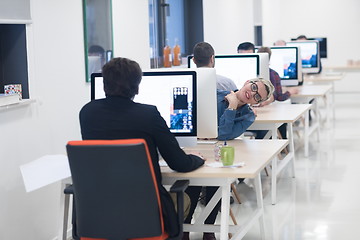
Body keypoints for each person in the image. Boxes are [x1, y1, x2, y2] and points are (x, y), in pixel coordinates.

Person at [79, 57, 205, 238]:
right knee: (183, 199)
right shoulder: (148, 115)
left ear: (104, 85)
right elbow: (180, 164)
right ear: (137, 87)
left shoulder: (87, 113)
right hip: (146, 215)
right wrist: (197, 158)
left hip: (99, 213)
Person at [183, 77, 274, 240]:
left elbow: (223, 135)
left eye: (257, 96)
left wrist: (232, 107)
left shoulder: (248, 116)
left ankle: (208, 230)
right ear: (247, 81)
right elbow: (195, 121)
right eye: (254, 87)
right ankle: (185, 230)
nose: (252, 94)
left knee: (216, 183)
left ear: (257, 102)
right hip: (195, 148)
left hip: (218, 153)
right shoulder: (214, 95)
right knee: (194, 182)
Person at [255, 47, 299, 139]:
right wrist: (289, 92)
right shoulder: (273, 74)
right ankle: (283, 145)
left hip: (260, 112)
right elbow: (279, 97)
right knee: (281, 120)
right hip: (266, 112)